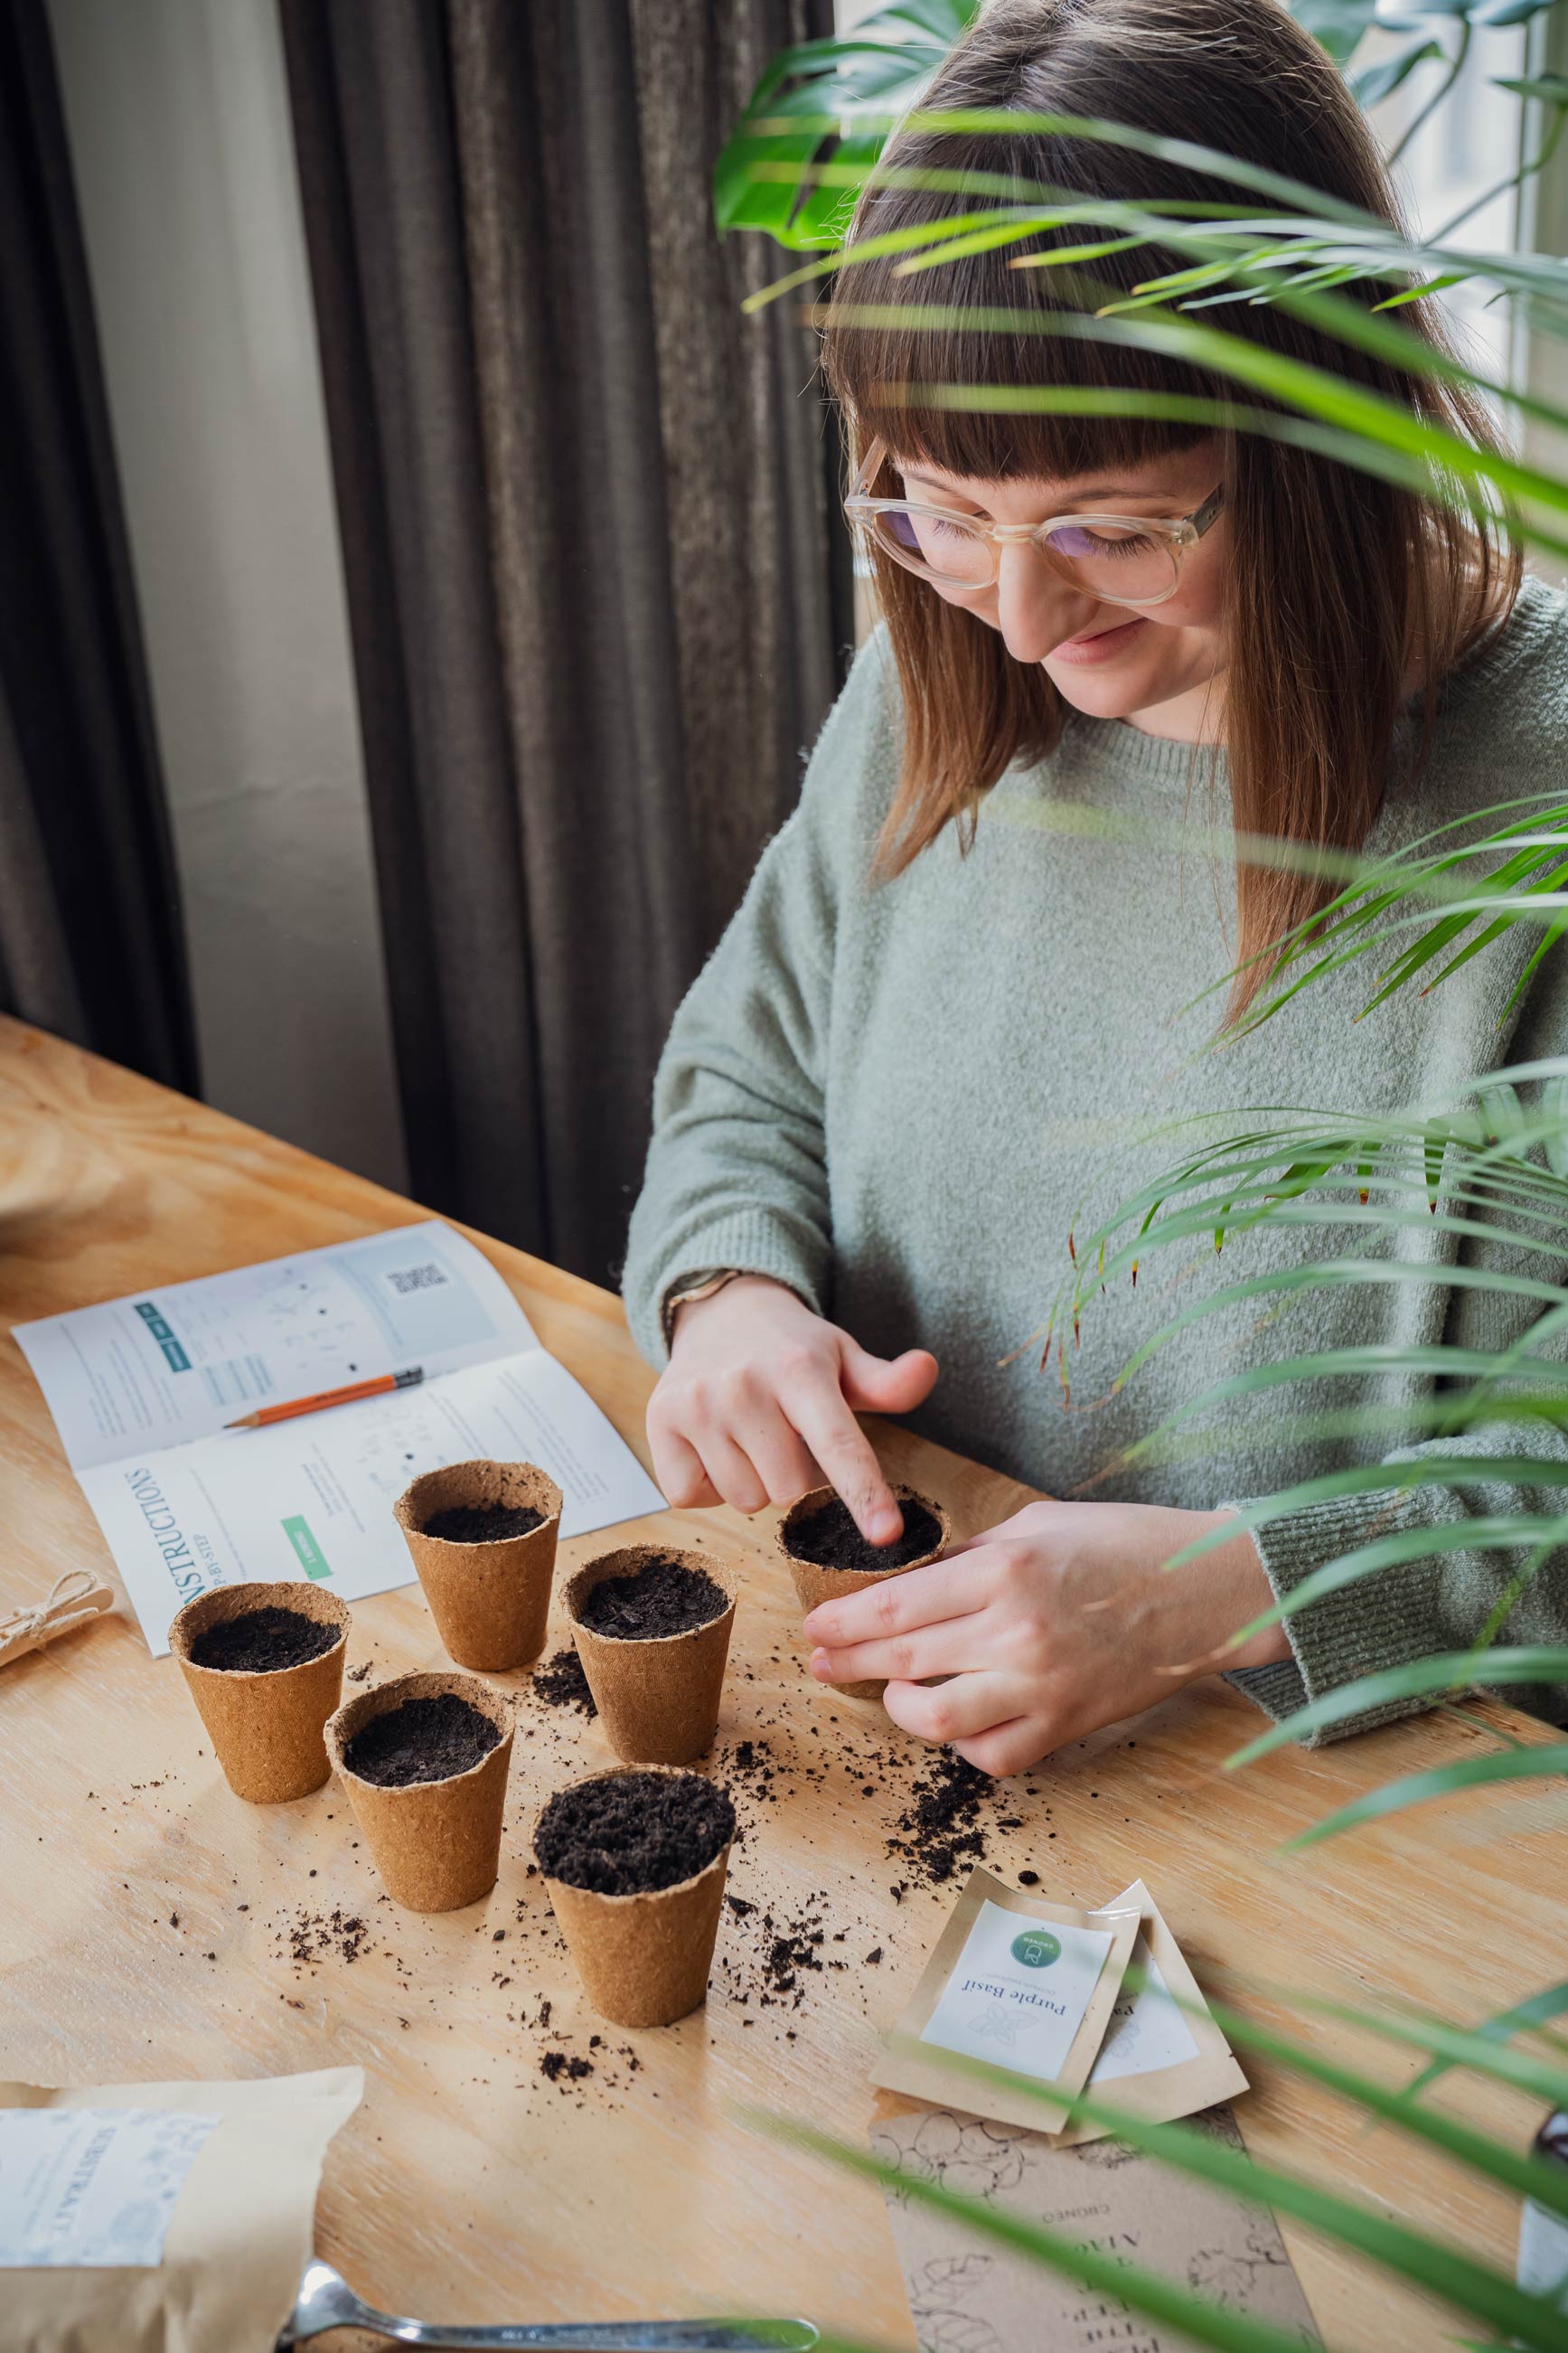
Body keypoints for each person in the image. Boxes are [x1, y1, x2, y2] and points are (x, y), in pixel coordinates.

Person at [622, 0, 1568, 1774]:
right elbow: (746, 1069)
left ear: (1328, 445)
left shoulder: (1543, 816)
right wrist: (728, 1296)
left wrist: (1225, 1591)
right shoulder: (945, 673)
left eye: (1119, 528)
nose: (1027, 616)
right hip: (881, 1721)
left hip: (1335, 1808)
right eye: (938, 509)